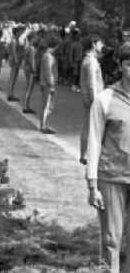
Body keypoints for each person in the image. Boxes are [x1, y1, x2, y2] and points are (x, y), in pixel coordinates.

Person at [85, 42, 130, 272]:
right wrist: (92, 184)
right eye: (129, 63)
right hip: (111, 178)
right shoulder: (105, 99)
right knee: (112, 239)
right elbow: (93, 141)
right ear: (121, 66)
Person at [79, 34, 104, 165]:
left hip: (88, 97)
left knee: (88, 126)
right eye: (100, 43)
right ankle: (86, 154)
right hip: (92, 98)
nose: (102, 46)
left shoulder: (88, 59)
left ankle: (84, 154)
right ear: (94, 44)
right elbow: (92, 83)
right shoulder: (91, 61)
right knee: (91, 128)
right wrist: (95, 100)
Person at [39, 35, 60, 134]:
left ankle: (45, 123)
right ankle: (43, 125)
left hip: (47, 83)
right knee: (46, 105)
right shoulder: (48, 56)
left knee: (48, 105)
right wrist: (51, 85)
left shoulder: (48, 56)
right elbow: (48, 72)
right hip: (47, 84)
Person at [8, 26, 27, 101]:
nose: (21, 33)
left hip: (16, 60)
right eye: (20, 31)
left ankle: (11, 93)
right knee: (13, 77)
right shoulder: (14, 40)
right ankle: (10, 94)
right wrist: (16, 59)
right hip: (15, 61)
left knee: (14, 77)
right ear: (17, 32)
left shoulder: (16, 39)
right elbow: (13, 51)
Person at [22, 33, 39, 114]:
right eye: (34, 38)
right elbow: (32, 61)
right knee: (29, 88)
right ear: (32, 39)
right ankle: (26, 106)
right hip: (30, 69)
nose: (36, 39)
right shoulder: (32, 48)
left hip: (26, 68)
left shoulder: (27, 47)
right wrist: (34, 70)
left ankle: (26, 105)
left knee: (27, 87)